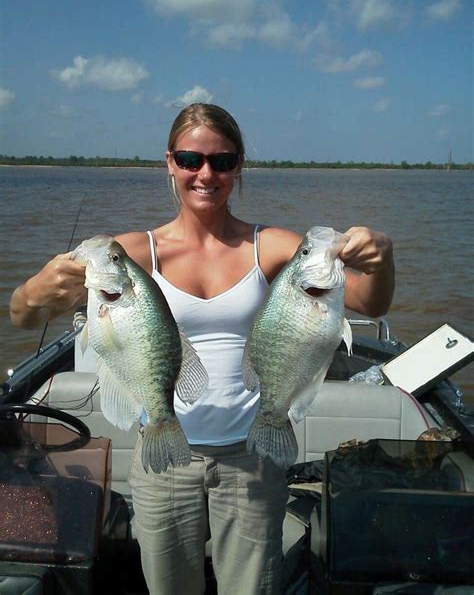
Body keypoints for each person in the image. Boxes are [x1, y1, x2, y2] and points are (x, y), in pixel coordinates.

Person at [10, 103, 395, 594]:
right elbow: (24, 316)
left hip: (250, 454)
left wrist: (381, 258)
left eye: (223, 160)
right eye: (191, 159)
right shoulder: (129, 254)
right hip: (162, 455)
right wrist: (42, 284)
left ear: (239, 167)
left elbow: (371, 301)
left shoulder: (272, 245)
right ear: (170, 162)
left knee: (251, 587)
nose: (206, 174)